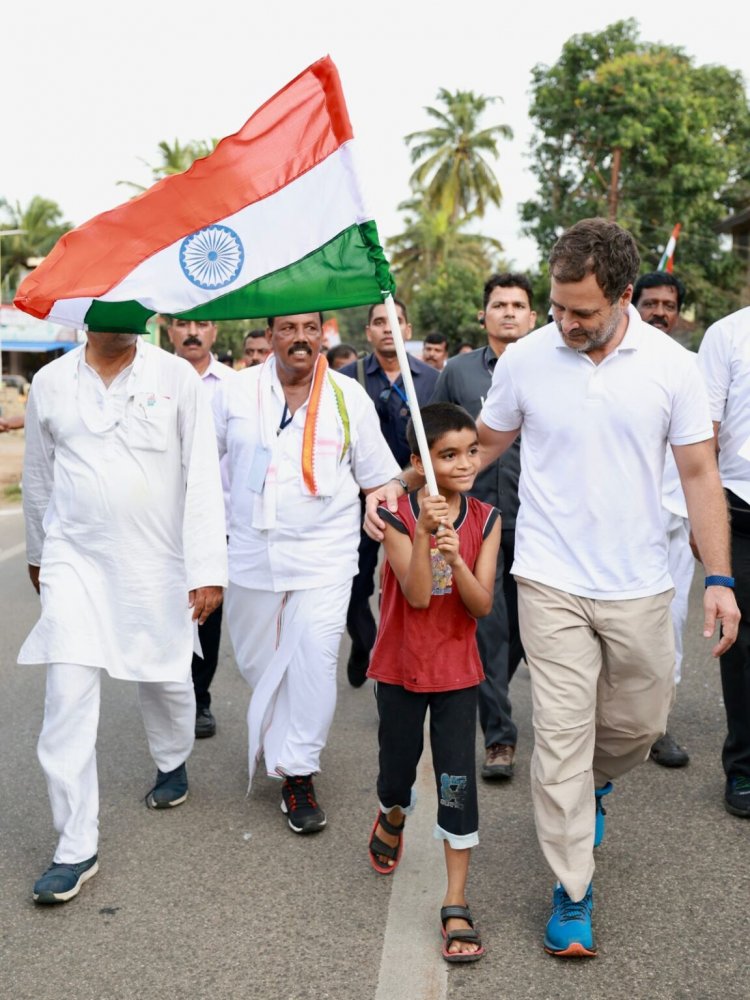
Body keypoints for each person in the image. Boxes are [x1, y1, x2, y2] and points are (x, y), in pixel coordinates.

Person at [365, 219, 739, 957]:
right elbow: (484, 445)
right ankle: (572, 889)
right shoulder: (530, 360)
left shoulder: (672, 366)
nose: (564, 323)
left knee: (641, 719)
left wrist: (719, 577)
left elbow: (699, 475)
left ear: (625, 296)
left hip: (639, 580)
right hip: (549, 575)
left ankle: (595, 784)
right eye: (558, 307)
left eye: (583, 313)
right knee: (561, 740)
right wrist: (407, 489)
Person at [20, 329, 227, 904]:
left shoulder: (175, 377)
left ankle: (171, 761)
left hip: (157, 562)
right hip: (74, 561)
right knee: (65, 697)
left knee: (165, 679)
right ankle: (74, 846)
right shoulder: (50, 381)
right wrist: (39, 556)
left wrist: (206, 566)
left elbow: (203, 475)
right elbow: (38, 478)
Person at [213, 311, 399, 835]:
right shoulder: (234, 392)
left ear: (324, 334)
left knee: (315, 658)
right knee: (258, 662)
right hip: (250, 551)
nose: (300, 338)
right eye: (288, 329)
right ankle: (281, 743)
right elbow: (200, 464)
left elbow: (380, 476)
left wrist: (376, 503)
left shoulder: (347, 396)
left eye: (310, 329)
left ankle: (297, 771)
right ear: (270, 335)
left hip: (325, 553)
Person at [367, 403, 500, 963]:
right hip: (400, 667)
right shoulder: (395, 515)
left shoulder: (487, 519)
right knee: (397, 774)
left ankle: (455, 901)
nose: (465, 463)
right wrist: (423, 535)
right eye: (449, 455)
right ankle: (393, 812)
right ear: (422, 461)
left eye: (471, 451)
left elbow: (481, 605)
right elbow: (418, 595)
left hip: (456, 674)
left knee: (455, 784)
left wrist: (460, 560)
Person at [431, 273, 536, 781]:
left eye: (519, 304)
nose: (509, 312)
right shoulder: (457, 371)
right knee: (488, 627)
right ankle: (500, 738)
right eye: (499, 304)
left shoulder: (550, 368)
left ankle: (485, 689)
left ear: (534, 316)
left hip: (538, 521)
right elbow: (433, 434)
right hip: (477, 523)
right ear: (484, 314)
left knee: (522, 632)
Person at [339, 300, 439, 687]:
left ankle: (397, 670)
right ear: (368, 333)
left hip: (415, 501)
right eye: (379, 322)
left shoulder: (430, 379)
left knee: (406, 587)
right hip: (358, 502)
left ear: (407, 329)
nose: (387, 328)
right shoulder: (345, 379)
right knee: (354, 583)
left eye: (395, 321)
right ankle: (364, 641)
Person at [165, 315, 236, 738]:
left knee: (207, 616)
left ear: (215, 331)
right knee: (167, 615)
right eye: (181, 323)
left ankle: (199, 697)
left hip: (217, 521)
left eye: (202, 323)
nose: (192, 331)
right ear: (168, 331)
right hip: (160, 524)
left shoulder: (233, 387)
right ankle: (172, 698)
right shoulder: (152, 377)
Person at [633, 272, 692, 767]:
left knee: (671, 627)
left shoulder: (692, 368)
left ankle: (658, 727)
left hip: (679, 525)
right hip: (628, 526)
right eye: (649, 302)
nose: (658, 312)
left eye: (667, 305)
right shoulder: (615, 365)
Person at [697, 306, 750, 818]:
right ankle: (744, 766)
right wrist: (704, 520)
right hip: (743, 506)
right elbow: (704, 436)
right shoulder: (729, 334)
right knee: (743, 644)